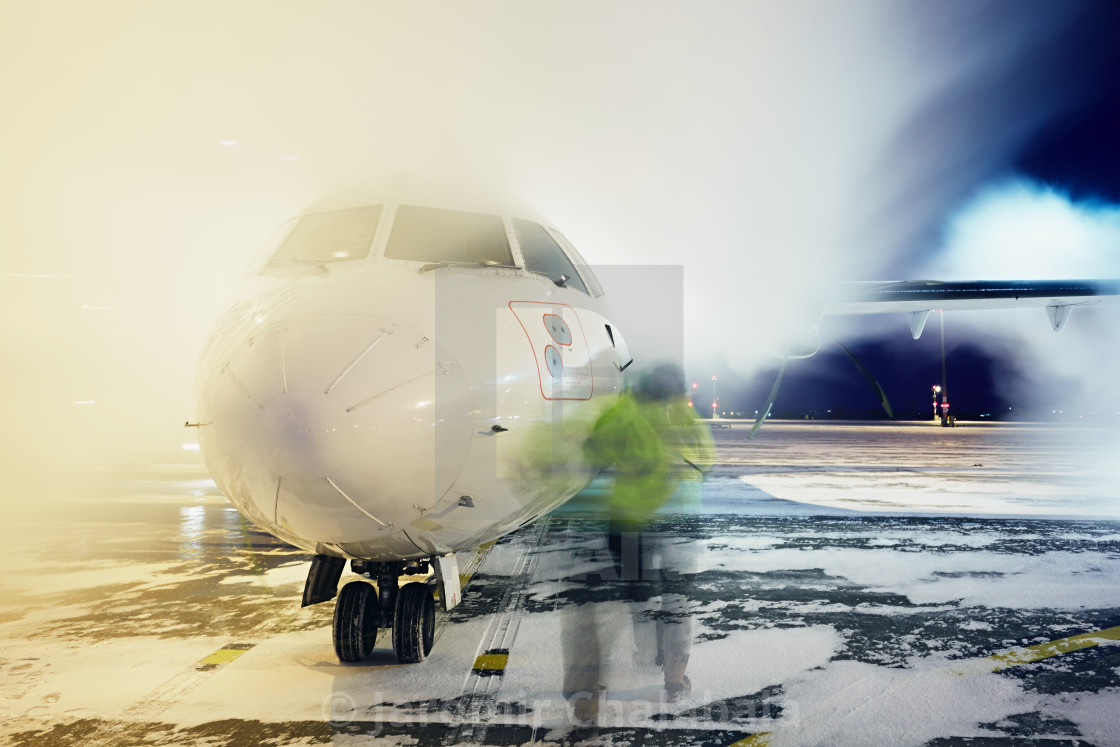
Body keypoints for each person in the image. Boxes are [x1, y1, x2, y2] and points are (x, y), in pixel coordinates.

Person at [581, 362, 715, 703]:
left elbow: (593, 450)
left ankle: (645, 652)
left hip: (631, 521)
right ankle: (674, 676)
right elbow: (708, 459)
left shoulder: (626, 413)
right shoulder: (688, 419)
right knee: (678, 601)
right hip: (681, 520)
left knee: (639, 595)